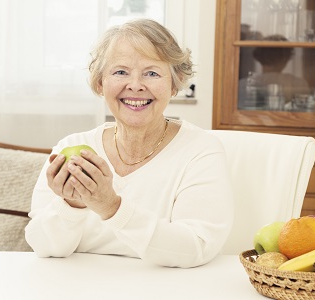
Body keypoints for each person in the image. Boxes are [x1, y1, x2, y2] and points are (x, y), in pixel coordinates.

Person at [24, 19, 234, 268]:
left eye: (152, 73)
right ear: (100, 83)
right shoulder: (72, 146)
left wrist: (111, 206)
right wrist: (72, 204)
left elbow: (194, 248)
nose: (135, 85)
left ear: (174, 84)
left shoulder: (200, 151)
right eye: (120, 72)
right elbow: (43, 247)